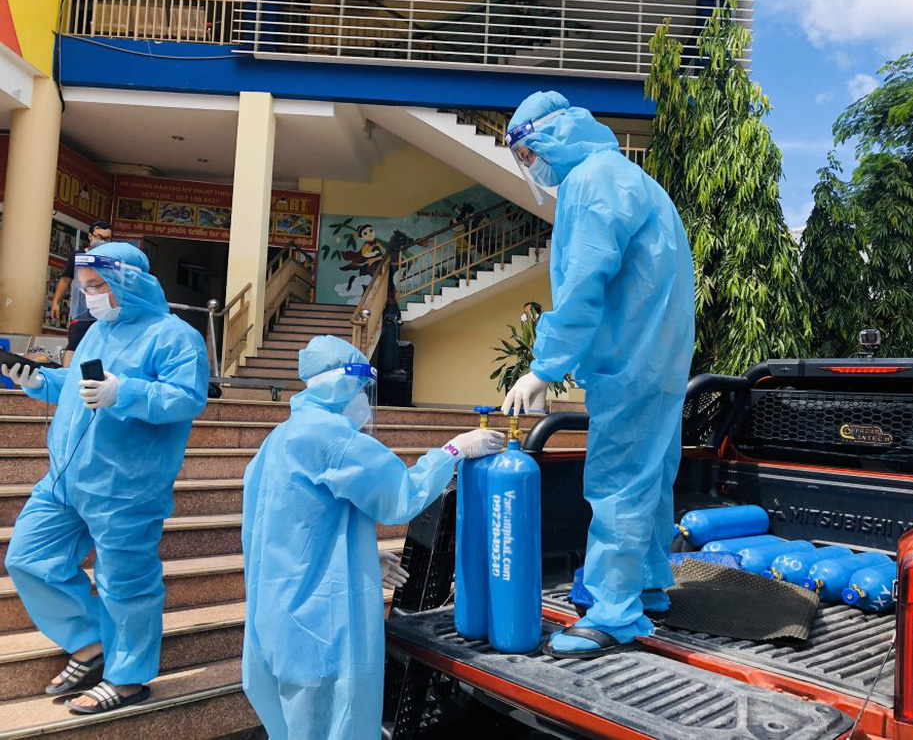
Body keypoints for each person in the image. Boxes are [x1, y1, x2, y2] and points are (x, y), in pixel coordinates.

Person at [500, 91, 695, 659]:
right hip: (657, 358)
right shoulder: (630, 177)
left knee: (619, 481)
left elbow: (584, 284)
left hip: (629, 359)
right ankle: (648, 584)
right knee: (651, 475)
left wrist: (543, 368)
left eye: (528, 153)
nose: (532, 165)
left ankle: (613, 611)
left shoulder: (590, 182)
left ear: (548, 136)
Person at [241, 335, 504, 740]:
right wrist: (452, 451)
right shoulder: (333, 438)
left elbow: (283, 533)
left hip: (278, 619)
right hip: (320, 629)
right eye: (363, 388)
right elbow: (399, 496)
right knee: (331, 722)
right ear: (344, 383)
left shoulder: (277, 440)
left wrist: (361, 559)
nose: (365, 399)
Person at [1, 242, 208, 713]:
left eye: (98, 286)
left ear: (127, 282)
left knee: (126, 584)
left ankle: (128, 679)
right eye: (85, 287)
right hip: (64, 479)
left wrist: (125, 391)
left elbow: (187, 398)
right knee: (29, 557)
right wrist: (40, 381)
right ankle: (91, 641)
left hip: (126, 485)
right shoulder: (97, 332)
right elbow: (79, 385)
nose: (90, 296)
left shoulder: (175, 336)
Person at [50, 221, 113, 366]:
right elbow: (66, 279)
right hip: (82, 311)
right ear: (90, 236)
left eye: (107, 239)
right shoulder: (78, 256)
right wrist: (55, 302)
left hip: (105, 311)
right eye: (99, 237)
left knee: (102, 347)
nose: (103, 241)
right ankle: (65, 375)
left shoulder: (110, 259)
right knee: (74, 343)